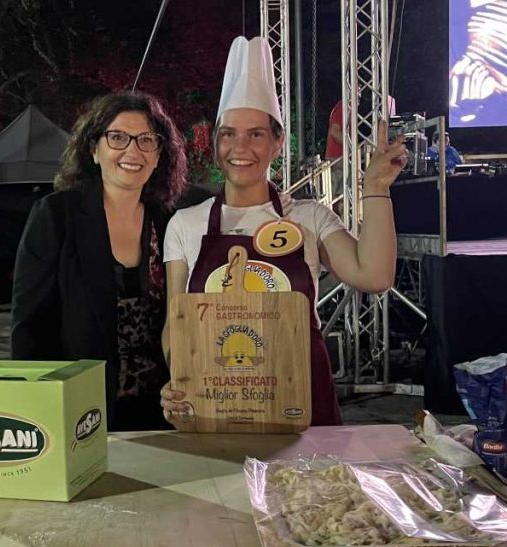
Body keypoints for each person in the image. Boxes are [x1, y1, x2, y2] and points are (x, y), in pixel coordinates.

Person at [160, 36, 407, 427]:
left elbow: (374, 276)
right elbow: (176, 324)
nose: (240, 146)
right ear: (216, 143)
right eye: (229, 133)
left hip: (302, 401)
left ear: (277, 143)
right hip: (219, 399)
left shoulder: (309, 217)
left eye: (256, 134)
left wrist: (375, 188)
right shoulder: (185, 224)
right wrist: (181, 379)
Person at [10, 91, 188, 432]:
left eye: (146, 140)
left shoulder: (171, 223)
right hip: (82, 413)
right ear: (93, 149)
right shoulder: (56, 216)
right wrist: (38, 411)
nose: (132, 151)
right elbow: (29, 328)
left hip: (163, 411)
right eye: (117, 137)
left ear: (158, 155)